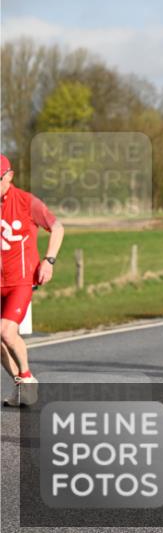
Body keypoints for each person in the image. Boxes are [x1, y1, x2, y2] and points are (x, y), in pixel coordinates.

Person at [1, 154, 64, 407]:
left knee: (6, 331)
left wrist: (49, 261)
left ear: (9, 176)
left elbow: (57, 227)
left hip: (20, 280)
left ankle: (27, 377)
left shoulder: (27, 202)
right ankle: (21, 387)